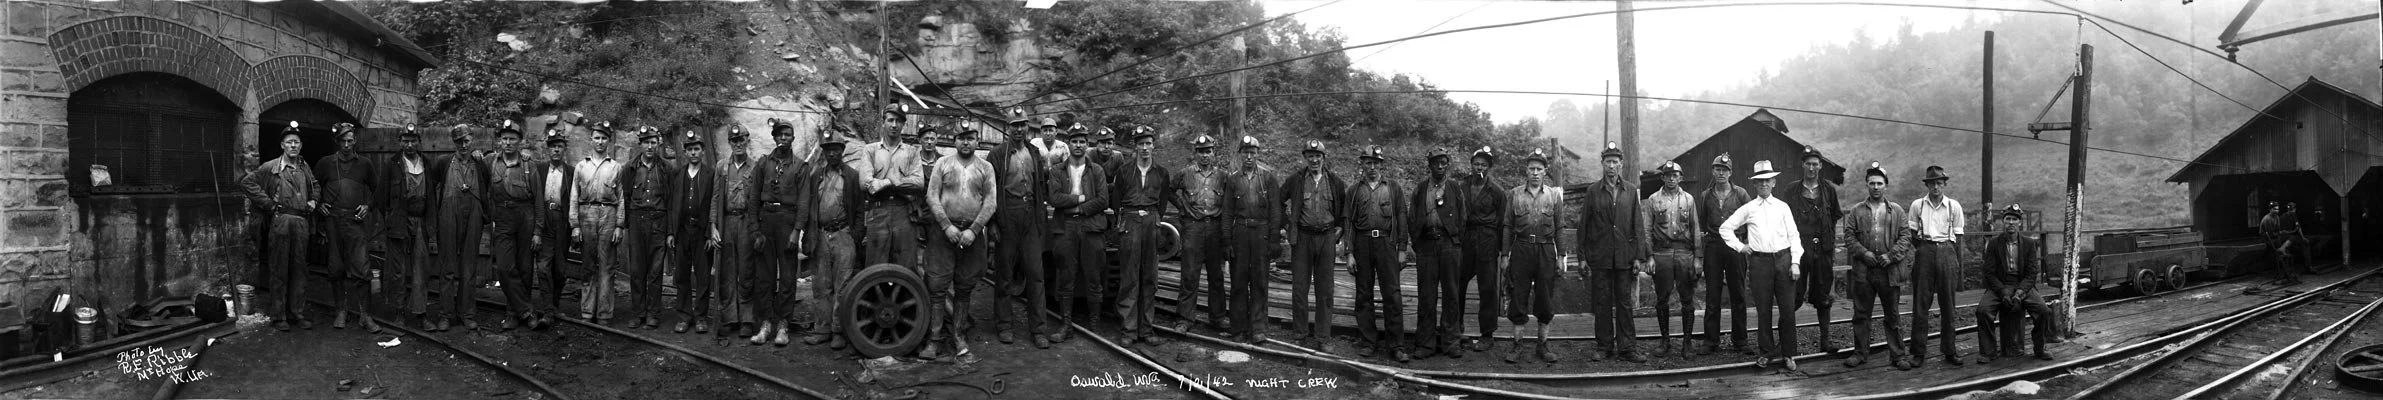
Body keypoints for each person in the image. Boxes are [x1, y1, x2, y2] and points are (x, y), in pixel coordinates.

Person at [1718, 160, 1802, 371]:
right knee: (1763, 311)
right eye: (1759, 182)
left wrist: (1795, 262)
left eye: (1767, 180)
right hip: (1759, 263)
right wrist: (1740, 247)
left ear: (1774, 182)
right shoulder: (1748, 208)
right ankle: (1766, 352)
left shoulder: (1783, 207)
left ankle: (1789, 353)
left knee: (1787, 310)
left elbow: (1794, 235)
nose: (1763, 184)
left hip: (1783, 261)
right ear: (1754, 185)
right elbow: (1725, 228)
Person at [929, 120, 998, 359]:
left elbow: (990, 202)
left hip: (971, 235)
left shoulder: (986, 167)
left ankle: (959, 337)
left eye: (970, 138)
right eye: (961, 138)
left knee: (964, 287)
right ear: (954, 141)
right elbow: (932, 197)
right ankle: (934, 339)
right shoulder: (942, 163)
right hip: (943, 234)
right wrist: (946, 225)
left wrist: (974, 229)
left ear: (977, 141)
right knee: (937, 287)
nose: (965, 142)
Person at [245, 122, 320, 332]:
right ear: (282, 145)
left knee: (299, 269)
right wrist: (268, 204)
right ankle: (279, 316)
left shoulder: (305, 167)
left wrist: (314, 200)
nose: (293, 146)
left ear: (301, 145)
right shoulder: (270, 167)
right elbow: (247, 183)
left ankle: (297, 313)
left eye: (296, 142)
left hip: (301, 222)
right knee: (279, 269)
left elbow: (316, 186)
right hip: (281, 221)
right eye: (289, 142)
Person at [1839, 162, 1911, 369]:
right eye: (1872, 183)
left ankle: (1898, 355)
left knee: (1893, 315)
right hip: (1864, 271)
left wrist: (1892, 255)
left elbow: (1906, 236)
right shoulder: (1856, 211)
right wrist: (1864, 253)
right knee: (1861, 314)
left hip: (1889, 271)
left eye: (1880, 183)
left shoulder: (1896, 210)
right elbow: (1849, 236)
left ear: (1886, 185)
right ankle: (1860, 353)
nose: (1876, 187)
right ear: (1867, 185)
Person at [993, 112, 1056, 349]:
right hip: (1007, 213)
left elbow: (1041, 189)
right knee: (1004, 275)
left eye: (1022, 125)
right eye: (1014, 125)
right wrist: (993, 224)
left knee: (1036, 275)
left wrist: (1041, 224)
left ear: (1028, 127)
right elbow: (991, 191)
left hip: (1030, 214)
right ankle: (1004, 326)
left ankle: (1038, 329)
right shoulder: (998, 154)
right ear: (1008, 128)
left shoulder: (1034, 153)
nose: (1019, 129)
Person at [1581, 141, 1645, 363]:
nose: (1611, 166)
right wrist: (1582, 257)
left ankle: (1627, 348)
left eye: (1615, 162)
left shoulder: (1630, 191)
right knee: (1602, 302)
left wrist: (1638, 256)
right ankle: (1604, 346)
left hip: (1624, 258)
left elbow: (1638, 226)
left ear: (1621, 164)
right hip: (1600, 258)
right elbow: (1584, 227)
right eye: (1607, 161)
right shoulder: (1592, 191)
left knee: (1625, 303)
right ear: (1602, 164)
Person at [314, 122, 382, 333]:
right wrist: (318, 204)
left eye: (349, 141)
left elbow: (378, 190)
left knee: (362, 268)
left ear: (355, 141)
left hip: (355, 222)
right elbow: (312, 188)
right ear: (337, 142)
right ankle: (341, 311)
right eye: (342, 141)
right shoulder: (325, 163)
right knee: (336, 268)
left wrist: (368, 206)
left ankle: (365, 316)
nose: (346, 145)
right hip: (333, 222)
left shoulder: (365, 164)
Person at [1345, 145, 1409, 362]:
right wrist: (1350, 253)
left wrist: (1402, 249)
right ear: (1362, 165)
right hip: (1362, 243)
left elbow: (1401, 219)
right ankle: (1368, 342)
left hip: (1386, 243)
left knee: (1392, 294)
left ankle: (1396, 345)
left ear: (1382, 164)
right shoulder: (1354, 191)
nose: (1372, 167)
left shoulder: (1393, 188)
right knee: (1364, 294)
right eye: (1368, 163)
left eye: (1376, 163)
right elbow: (1349, 223)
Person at [805, 127, 866, 352]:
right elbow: (809, 206)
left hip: (843, 234)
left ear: (842, 151)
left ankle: (839, 331)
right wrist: (809, 234)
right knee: (821, 285)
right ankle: (822, 330)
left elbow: (860, 209)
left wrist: (855, 234)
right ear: (824, 153)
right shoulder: (816, 176)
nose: (832, 154)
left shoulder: (852, 176)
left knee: (843, 285)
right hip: (821, 235)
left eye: (836, 150)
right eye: (828, 150)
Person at [1281, 140, 1345, 349]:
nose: (1314, 159)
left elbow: (1344, 211)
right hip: (1302, 238)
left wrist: (1340, 230)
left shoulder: (1335, 181)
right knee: (1300, 287)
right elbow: (1278, 201)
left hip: (1326, 238)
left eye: (1318, 156)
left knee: (1325, 289)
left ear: (1324, 158)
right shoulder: (1296, 180)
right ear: (1305, 158)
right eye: (1310, 156)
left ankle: (1322, 337)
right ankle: (1300, 334)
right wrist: (1287, 224)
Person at [1049, 125, 1111, 342]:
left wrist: (1079, 208)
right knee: (1066, 277)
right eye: (1074, 141)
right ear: (1069, 143)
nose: (1078, 145)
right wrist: (1081, 198)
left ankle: (1094, 326)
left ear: (1087, 144)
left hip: (1091, 228)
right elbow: (1054, 199)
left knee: (1094, 276)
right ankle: (1065, 325)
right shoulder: (1057, 170)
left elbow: (1104, 200)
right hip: (1065, 227)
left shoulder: (1097, 171)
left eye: (1082, 141)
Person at [1111, 125, 1171, 346]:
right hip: (1130, 220)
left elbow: (1163, 201)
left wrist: (1152, 218)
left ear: (1153, 145)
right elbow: (1116, 200)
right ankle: (1128, 330)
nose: (1145, 148)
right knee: (1129, 277)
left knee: (1149, 278)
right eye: (1141, 144)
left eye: (1148, 144)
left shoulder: (1162, 172)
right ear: (1134, 147)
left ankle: (1146, 330)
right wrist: (1130, 217)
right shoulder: (1124, 171)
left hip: (1152, 221)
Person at [486, 121, 549, 331]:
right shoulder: (491, 162)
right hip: (503, 218)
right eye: (504, 138)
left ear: (520, 141)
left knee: (524, 268)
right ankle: (527, 312)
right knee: (504, 268)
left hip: (526, 217)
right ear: (500, 141)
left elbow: (539, 200)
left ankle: (513, 314)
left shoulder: (529, 165)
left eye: (512, 139)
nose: (508, 142)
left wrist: (538, 231)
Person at [1503, 149, 1565, 364]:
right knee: (1518, 294)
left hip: (1546, 249)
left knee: (1545, 296)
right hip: (1521, 249)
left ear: (1545, 171)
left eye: (1539, 169)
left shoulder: (1554, 196)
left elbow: (1560, 228)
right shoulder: (1514, 194)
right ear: (1526, 170)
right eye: (1532, 169)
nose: (1535, 173)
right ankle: (1517, 344)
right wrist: (1504, 255)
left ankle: (1543, 344)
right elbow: (1508, 226)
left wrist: (1561, 255)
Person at [1783, 146, 1843, 356]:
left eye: (1815, 164)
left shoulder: (1829, 190)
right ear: (1802, 165)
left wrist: (1826, 241)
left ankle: (1825, 341)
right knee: (1793, 296)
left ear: (1820, 166)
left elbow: (1835, 215)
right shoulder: (1791, 190)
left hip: (1822, 252)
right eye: (1808, 164)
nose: (1811, 168)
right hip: (1798, 250)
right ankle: (1787, 343)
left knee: (1823, 296)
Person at [1976, 204, 2055, 363]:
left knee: (2044, 311)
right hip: (2000, 284)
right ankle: (1988, 351)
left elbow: (2032, 273)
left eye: (2014, 219)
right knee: (1983, 311)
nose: (2011, 223)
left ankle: (2040, 348)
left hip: (2022, 284)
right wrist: (2003, 292)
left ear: (2019, 223)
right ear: (2003, 222)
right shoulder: (1994, 244)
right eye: (2007, 219)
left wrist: (2020, 293)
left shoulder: (2028, 244)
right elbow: (1989, 273)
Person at [431, 123, 491, 331]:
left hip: (473, 214)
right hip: (448, 215)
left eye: (466, 140)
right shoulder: (443, 162)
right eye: (459, 142)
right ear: (454, 143)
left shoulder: (480, 163)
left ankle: (467, 314)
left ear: (472, 139)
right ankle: (445, 314)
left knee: (468, 267)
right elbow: (430, 189)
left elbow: (489, 185)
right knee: (447, 267)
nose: (463, 145)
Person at [1170, 134, 1231, 332]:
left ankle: (1218, 318)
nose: (1205, 155)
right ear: (1195, 153)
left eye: (1208, 151)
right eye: (1201, 152)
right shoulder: (1185, 174)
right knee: (1189, 274)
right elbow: (1169, 190)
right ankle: (1184, 319)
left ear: (1214, 153)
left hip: (1215, 228)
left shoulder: (1223, 177)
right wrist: (1181, 207)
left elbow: (1231, 201)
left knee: (1216, 276)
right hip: (1193, 228)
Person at [1225, 136, 1282, 343]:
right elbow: (1227, 212)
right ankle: (1238, 327)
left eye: (1253, 152)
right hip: (1240, 232)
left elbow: (1276, 211)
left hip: (1261, 233)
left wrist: (1274, 239)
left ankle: (1258, 328)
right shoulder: (1233, 180)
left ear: (1258, 154)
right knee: (1238, 282)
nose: (1249, 156)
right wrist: (1227, 240)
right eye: (1245, 152)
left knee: (1259, 281)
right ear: (1240, 154)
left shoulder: (1268, 178)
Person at [1641, 161, 1701, 359]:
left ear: (1680, 178)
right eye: (1668, 175)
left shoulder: (1689, 199)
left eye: (1675, 175)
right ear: (1663, 178)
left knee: (1687, 299)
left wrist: (1698, 258)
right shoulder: (1653, 200)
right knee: (1662, 299)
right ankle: (1665, 341)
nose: (1672, 179)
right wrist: (1649, 256)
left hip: (1685, 253)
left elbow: (1695, 229)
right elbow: (1647, 230)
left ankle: (1687, 343)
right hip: (1662, 254)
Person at [1907, 165, 1965, 367]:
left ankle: (1950, 350)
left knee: (1948, 304)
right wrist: (1925, 249)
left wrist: (1951, 258)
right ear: (1927, 185)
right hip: (1925, 251)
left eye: (1939, 183)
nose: (1935, 187)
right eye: (1931, 183)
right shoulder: (1917, 205)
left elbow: (1958, 236)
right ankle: (1918, 352)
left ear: (1944, 184)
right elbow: (1912, 233)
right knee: (1921, 304)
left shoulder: (1954, 206)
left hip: (1947, 251)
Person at [1410, 146, 1466, 357]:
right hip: (1426, 246)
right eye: (1436, 163)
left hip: (1449, 246)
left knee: (1451, 293)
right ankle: (1425, 343)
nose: (1440, 166)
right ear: (1430, 165)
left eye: (1443, 163)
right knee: (1426, 295)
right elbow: (1412, 216)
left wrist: (1455, 242)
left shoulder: (1454, 188)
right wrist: (1417, 243)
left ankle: (1451, 342)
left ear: (1447, 165)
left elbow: (1463, 217)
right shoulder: (1420, 189)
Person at [760, 120, 811, 346]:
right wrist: (755, 229)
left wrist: (796, 231)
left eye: (788, 134)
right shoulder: (764, 163)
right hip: (766, 222)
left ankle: (783, 325)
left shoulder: (800, 167)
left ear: (793, 138)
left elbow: (804, 201)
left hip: (787, 224)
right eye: (780, 134)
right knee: (766, 276)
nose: (783, 138)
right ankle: (766, 323)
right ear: (774, 137)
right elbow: (753, 198)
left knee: (788, 277)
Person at [856, 103, 926, 268]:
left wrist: (886, 182)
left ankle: (904, 294)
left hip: (904, 212)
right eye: (890, 120)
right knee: (875, 265)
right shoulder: (870, 150)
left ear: (904, 124)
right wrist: (898, 182)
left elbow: (919, 182)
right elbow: (865, 182)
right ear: (883, 123)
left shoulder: (912, 152)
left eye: (898, 121)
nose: (894, 125)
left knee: (906, 264)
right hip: (878, 211)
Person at [621, 126, 676, 329]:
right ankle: (638, 312)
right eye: (646, 142)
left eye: (653, 142)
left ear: (658, 144)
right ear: (641, 144)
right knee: (636, 270)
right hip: (636, 221)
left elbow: (671, 201)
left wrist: (670, 231)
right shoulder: (630, 168)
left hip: (658, 221)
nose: (650, 146)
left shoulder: (667, 169)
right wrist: (626, 225)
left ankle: (653, 313)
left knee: (655, 271)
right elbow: (625, 197)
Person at [1698, 153, 1754, 355]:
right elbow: (1703, 223)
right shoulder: (1706, 196)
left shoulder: (1741, 194)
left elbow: (1750, 220)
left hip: (1735, 247)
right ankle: (1711, 341)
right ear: (1713, 171)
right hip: (1713, 247)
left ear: (1730, 172)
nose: (1721, 173)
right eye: (1717, 169)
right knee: (1712, 295)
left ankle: (1740, 340)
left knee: (1738, 293)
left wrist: (1746, 244)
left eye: (1725, 170)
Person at [573, 121, 627, 325]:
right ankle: (587, 311)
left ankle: (604, 313)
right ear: (591, 140)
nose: (600, 141)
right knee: (588, 266)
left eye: (604, 138)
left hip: (608, 215)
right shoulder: (581, 166)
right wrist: (575, 225)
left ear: (609, 141)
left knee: (607, 266)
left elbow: (621, 198)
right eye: (596, 137)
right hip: (586, 214)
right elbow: (573, 197)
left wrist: (619, 225)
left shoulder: (615, 167)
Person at [384, 126, 437, 330]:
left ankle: (421, 313)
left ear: (419, 142)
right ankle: (399, 312)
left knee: (420, 268)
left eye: (413, 141)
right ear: (400, 142)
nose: (409, 145)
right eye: (405, 141)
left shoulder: (427, 163)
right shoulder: (393, 164)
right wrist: (390, 221)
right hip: (399, 222)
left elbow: (432, 194)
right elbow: (382, 195)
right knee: (398, 270)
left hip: (420, 221)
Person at [1455, 147, 1507, 354]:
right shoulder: (1460, 187)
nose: (1480, 168)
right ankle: (1455, 329)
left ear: (1489, 168)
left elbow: (1503, 223)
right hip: (1466, 241)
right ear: (1471, 165)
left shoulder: (1497, 191)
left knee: (1487, 289)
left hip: (1487, 241)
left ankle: (1487, 335)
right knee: (1457, 284)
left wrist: (1503, 252)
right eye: (1477, 164)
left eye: (1484, 165)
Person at [713, 125, 759, 338]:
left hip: (746, 224)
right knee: (727, 271)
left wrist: (757, 230)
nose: (738, 144)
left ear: (747, 141)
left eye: (742, 140)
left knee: (747, 271)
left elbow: (758, 201)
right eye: (734, 140)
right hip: (727, 223)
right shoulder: (722, 167)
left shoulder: (756, 167)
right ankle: (730, 317)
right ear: (729, 143)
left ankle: (747, 319)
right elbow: (715, 198)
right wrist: (713, 227)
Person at [670, 131, 718, 334]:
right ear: (685, 152)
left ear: (703, 151)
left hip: (701, 232)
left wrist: (709, 233)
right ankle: (683, 316)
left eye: (697, 149)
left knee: (703, 276)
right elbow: (672, 205)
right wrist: (671, 233)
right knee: (681, 275)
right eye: (690, 149)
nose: (693, 153)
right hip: (682, 232)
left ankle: (700, 317)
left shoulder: (710, 174)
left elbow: (713, 204)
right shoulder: (678, 174)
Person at [537, 125, 575, 331]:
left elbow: (575, 199)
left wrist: (574, 226)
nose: (556, 150)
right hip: (544, 221)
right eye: (553, 147)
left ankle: (555, 306)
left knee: (559, 269)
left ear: (565, 149)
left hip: (562, 221)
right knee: (543, 267)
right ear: (547, 150)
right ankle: (547, 309)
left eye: (560, 146)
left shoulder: (571, 172)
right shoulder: (539, 169)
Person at [2261, 202, 2302, 285]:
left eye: (2277, 209)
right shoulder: (2267, 219)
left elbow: (2277, 230)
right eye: (2274, 209)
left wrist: (2282, 232)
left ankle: (2289, 274)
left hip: (2275, 237)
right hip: (2268, 240)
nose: (2276, 211)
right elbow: (2270, 234)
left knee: (2289, 250)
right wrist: (2280, 234)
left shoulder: (2276, 217)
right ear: (2270, 209)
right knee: (2282, 256)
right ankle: (2285, 275)